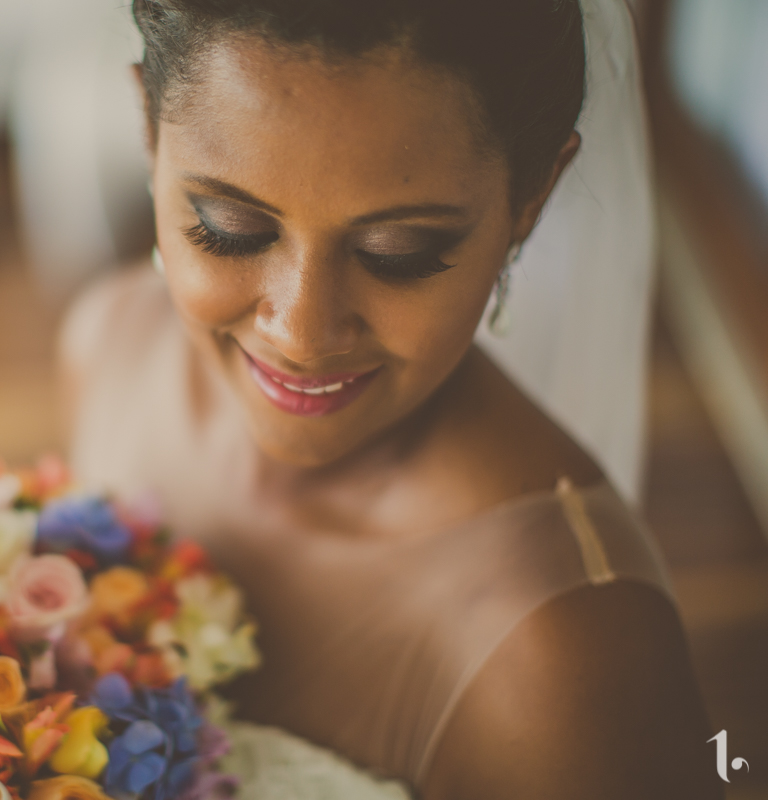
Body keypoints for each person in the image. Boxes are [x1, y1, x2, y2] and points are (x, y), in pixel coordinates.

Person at [59, 0, 718, 797]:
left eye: (398, 252)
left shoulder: (563, 650)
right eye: (230, 227)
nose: (301, 331)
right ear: (148, 126)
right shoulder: (107, 346)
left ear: (530, 200)